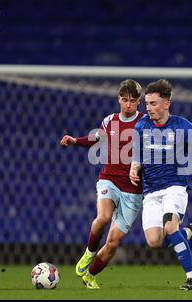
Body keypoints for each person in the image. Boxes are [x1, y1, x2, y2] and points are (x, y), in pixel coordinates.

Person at [129, 79, 192, 290]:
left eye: (153, 103)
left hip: (175, 186)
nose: (148, 108)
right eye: (147, 104)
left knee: (169, 225)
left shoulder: (182, 125)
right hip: (150, 191)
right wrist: (134, 166)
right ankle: (190, 234)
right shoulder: (141, 126)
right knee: (154, 241)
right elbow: (138, 154)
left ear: (166, 104)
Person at [60, 79, 145, 289]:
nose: (128, 105)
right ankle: (89, 252)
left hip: (133, 190)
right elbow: (97, 137)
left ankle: (89, 276)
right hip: (109, 179)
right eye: (124, 100)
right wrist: (75, 141)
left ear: (138, 102)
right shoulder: (109, 121)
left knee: (113, 243)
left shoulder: (145, 123)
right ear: (119, 99)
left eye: (132, 101)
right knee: (103, 217)